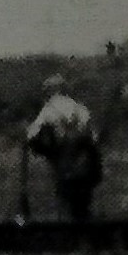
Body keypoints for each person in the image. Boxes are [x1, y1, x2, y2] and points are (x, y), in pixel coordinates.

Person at [25, 77, 103, 222]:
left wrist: (46, 152)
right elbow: (94, 138)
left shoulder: (49, 109)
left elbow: (31, 135)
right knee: (83, 207)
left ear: (50, 91)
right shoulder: (81, 109)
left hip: (64, 162)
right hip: (85, 164)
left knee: (66, 205)